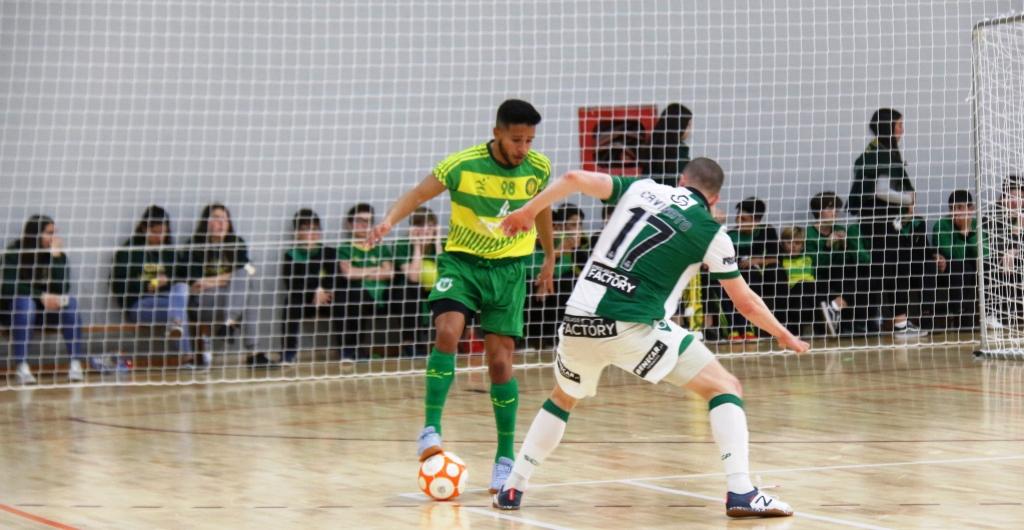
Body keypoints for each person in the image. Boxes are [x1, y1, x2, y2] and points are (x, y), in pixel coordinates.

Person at [494, 157, 808, 517]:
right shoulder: (711, 232)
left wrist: (528, 212)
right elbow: (746, 304)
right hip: (632, 326)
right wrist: (784, 334)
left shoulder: (642, 188)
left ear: (681, 180)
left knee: (563, 398)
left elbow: (572, 177)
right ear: (716, 199)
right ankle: (741, 491)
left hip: (577, 320)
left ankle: (513, 487)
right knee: (725, 387)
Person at [366, 99, 555, 494]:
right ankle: (430, 429)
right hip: (463, 265)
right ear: (497, 132)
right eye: (517, 139)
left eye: (529, 140)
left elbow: (541, 210)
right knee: (448, 333)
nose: (523, 147)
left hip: (509, 271)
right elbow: (419, 194)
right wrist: (387, 221)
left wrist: (550, 256)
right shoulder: (462, 164)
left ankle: (505, 460)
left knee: (501, 365)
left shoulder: (538, 167)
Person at [847, 108, 926, 336]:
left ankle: (901, 324)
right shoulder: (879, 153)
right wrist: (907, 199)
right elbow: (879, 190)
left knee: (890, 270)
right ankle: (837, 305)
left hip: (880, 220)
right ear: (887, 127)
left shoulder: (880, 151)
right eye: (899, 125)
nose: (902, 129)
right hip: (879, 221)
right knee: (888, 270)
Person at [1, 215, 90, 384]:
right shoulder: (13, 253)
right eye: (49, 233)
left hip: (45, 313)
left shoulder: (56, 255)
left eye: (55, 233)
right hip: (15, 313)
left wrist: (56, 258)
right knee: (26, 303)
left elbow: (63, 288)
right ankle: (22, 366)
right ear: (35, 234)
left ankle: (75, 364)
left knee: (70, 302)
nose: (54, 238)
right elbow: (7, 286)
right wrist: (40, 296)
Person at [111, 205, 193, 362]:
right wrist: (147, 286)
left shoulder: (170, 251)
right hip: (141, 304)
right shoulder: (128, 251)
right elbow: (117, 285)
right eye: (156, 232)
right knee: (179, 310)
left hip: (167, 300)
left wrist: (168, 281)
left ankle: (177, 328)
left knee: (181, 290)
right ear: (144, 228)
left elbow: (183, 276)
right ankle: (186, 354)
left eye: (164, 232)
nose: (160, 237)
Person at [181, 203, 258, 367]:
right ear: (206, 222)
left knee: (246, 282)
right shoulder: (195, 244)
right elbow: (195, 284)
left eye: (225, 219)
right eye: (216, 218)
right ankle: (252, 352)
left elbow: (251, 270)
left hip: (227, 299)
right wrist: (228, 278)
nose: (221, 223)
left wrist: (211, 281)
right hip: (202, 303)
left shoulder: (236, 242)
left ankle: (229, 321)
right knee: (246, 290)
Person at [280, 208, 342, 365]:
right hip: (305, 300)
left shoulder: (329, 252)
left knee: (344, 299)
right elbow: (292, 283)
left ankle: (346, 349)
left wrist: (323, 290)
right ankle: (288, 353)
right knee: (290, 302)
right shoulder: (291, 255)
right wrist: (315, 290)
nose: (311, 233)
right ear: (297, 232)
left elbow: (334, 276)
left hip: (327, 299)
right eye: (306, 229)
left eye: (315, 228)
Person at [805, 192, 873, 332]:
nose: (834, 212)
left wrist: (846, 246)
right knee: (853, 281)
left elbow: (847, 261)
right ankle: (841, 316)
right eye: (830, 209)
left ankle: (848, 319)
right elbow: (815, 264)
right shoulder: (809, 234)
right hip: (821, 276)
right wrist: (827, 246)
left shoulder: (840, 229)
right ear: (818, 211)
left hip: (840, 274)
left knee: (863, 276)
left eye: (836, 209)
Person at [525, 203, 588, 349]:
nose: (548, 232)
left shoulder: (570, 241)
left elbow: (569, 269)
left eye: (552, 227)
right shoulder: (527, 244)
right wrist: (559, 252)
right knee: (530, 287)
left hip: (555, 289)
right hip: (531, 288)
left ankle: (558, 340)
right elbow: (532, 271)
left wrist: (547, 279)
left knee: (565, 284)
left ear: (557, 228)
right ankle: (530, 340)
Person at [337, 203, 395, 360]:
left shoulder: (378, 246)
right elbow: (348, 273)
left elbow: (389, 273)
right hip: (359, 294)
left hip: (382, 294)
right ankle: (352, 349)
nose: (364, 225)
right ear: (350, 224)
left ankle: (412, 346)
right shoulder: (345, 247)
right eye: (359, 221)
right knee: (354, 296)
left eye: (368, 221)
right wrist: (374, 269)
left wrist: (361, 273)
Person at [778, 226, 851, 336]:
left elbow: (823, 264)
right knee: (804, 287)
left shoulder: (808, 258)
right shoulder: (780, 259)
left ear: (802, 245)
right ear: (783, 244)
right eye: (789, 242)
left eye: (797, 243)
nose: (793, 246)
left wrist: (841, 246)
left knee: (821, 285)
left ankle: (829, 316)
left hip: (811, 290)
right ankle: (828, 317)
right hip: (793, 290)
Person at [724, 197, 780, 339]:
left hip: (756, 272)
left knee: (750, 279)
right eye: (738, 218)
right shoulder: (730, 235)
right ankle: (734, 329)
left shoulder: (767, 231)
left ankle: (748, 327)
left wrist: (756, 260)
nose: (739, 222)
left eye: (744, 219)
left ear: (756, 220)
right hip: (734, 272)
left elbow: (776, 258)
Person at [391, 206, 443, 356]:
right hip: (409, 291)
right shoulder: (401, 245)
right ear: (413, 228)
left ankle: (448, 344)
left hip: (436, 289)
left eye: (430, 225)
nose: (425, 229)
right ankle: (410, 343)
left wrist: (438, 242)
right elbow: (413, 276)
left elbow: (444, 273)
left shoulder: (444, 243)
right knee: (410, 291)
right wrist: (417, 247)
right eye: (420, 225)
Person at [933, 190, 985, 328]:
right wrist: (963, 232)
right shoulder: (941, 225)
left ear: (971, 209)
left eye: (960, 208)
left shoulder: (979, 224)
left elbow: (984, 253)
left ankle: (992, 314)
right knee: (961, 267)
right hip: (950, 269)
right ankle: (961, 318)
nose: (956, 212)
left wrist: (969, 231)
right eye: (952, 208)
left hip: (976, 268)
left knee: (983, 265)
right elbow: (952, 254)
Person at [982, 176, 1024, 328]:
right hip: (999, 260)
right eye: (1012, 196)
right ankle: (991, 314)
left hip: (1018, 259)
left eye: (1020, 197)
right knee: (990, 263)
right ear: (1004, 196)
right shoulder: (993, 214)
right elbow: (994, 245)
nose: (1015, 201)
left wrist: (1014, 249)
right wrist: (1010, 247)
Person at [641, 103, 693, 186]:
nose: (690, 130)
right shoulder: (680, 152)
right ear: (680, 126)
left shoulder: (652, 145)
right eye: (689, 125)